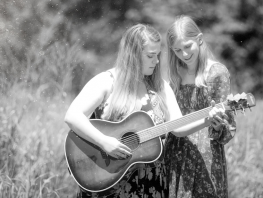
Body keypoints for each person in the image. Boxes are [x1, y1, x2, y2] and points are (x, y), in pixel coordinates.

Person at [64, 23, 225, 198]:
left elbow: (177, 128)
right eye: (150, 56)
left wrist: (207, 120)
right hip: (109, 180)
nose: (156, 62)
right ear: (132, 55)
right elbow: (72, 116)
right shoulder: (106, 82)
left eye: (158, 55)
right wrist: (104, 142)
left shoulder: (160, 86)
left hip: (151, 185)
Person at [164, 15, 236, 198]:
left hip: (206, 156)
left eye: (188, 47)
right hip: (175, 152)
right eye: (177, 50)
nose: (184, 54)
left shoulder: (217, 73)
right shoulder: (173, 75)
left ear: (200, 39)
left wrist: (218, 124)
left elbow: (227, 128)